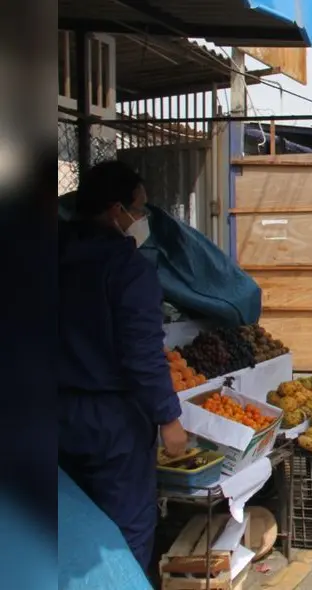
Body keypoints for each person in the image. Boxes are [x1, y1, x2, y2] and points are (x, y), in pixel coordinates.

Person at [58, 160, 188, 571]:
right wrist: (168, 419)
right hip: (112, 421)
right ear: (117, 211)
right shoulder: (128, 270)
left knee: (67, 527)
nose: (142, 219)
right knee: (124, 534)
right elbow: (142, 356)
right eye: (140, 209)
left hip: (49, 412)